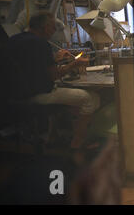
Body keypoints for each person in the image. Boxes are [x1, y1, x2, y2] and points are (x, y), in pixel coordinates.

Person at [7, 12, 100, 149]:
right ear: (44, 27)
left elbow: (30, 65)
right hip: (38, 95)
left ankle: (53, 138)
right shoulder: (40, 43)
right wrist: (75, 64)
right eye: (52, 27)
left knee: (74, 102)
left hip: (15, 94)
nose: (54, 30)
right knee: (91, 98)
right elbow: (54, 76)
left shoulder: (13, 40)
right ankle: (77, 143)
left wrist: (55, 58)